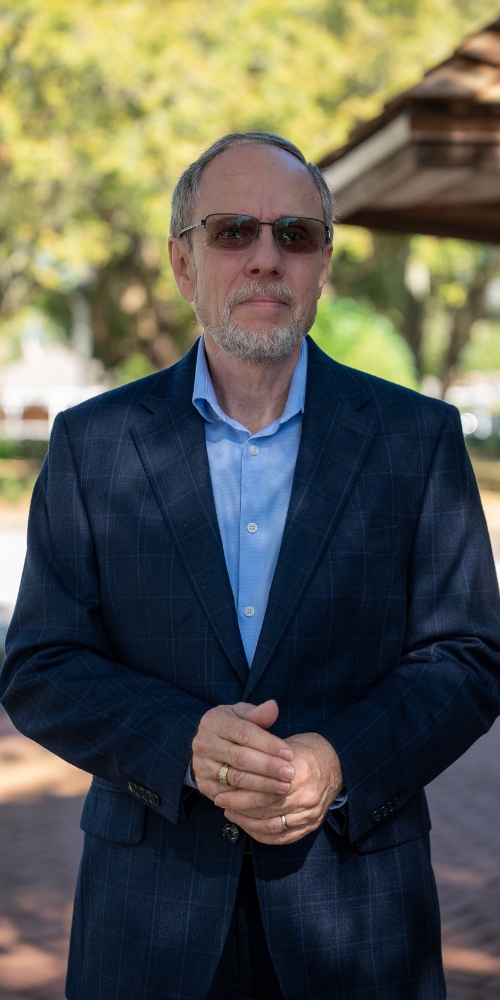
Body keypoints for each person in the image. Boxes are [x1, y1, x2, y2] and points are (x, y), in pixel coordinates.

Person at [1, 131, 500, 1000]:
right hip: (148, 921)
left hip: (358, 918)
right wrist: (185, 744)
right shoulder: (93, 444)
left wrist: (337, 761)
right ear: (182, 262)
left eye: (294, 234)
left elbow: (468, 657)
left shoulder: (417, 440)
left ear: (322, 265)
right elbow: (41, 665)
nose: (266, 257)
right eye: (234, 231)